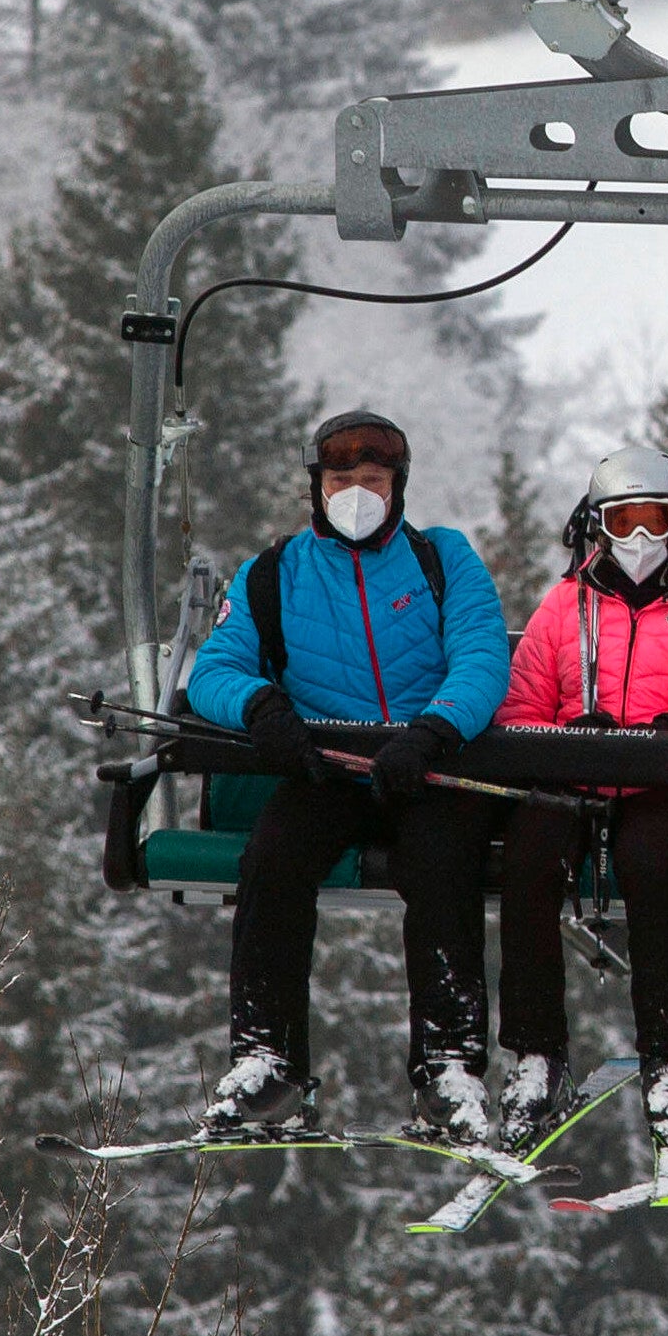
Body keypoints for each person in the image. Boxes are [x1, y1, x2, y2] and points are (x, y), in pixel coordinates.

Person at [180, 409, 514, 1143]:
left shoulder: (442, 559)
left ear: (397, 488)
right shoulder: (274, 573)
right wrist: (261, 706)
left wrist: (432, 729)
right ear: (315, 488)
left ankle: (447, 1063)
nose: (356, 493)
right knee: (273, 858)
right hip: (326, 770)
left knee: (439, 864)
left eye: (372, 480)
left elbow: (483, 654)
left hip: (426, 771)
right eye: (340, 480)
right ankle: (268, 1059)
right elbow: (214, 669)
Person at [490, 444, 668, 1170]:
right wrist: (569, 737)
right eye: (623, 520)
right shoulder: (565, 604)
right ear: (597, 525)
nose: (639, 539)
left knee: (651, 864)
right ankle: (536, 1051)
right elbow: (519, 711)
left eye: (655, 520)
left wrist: (662, 735)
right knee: (531, 859)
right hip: (576, 778)